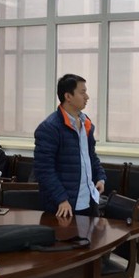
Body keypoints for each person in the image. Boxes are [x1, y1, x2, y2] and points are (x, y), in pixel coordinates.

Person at [34, 74, 106, 218]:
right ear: (68, 96)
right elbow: (44, 170)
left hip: (89, 201)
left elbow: (90, 156)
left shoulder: (86, 123)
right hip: (64, 206)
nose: (87, 97)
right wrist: (61, 199)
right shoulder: (50, 127)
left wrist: (100, 177)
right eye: (82, 92)